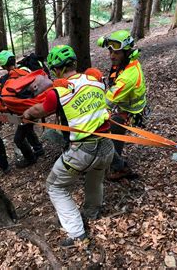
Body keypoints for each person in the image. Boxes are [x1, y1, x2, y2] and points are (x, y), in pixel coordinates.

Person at [23, 45, 114, 246]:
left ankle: (76, 233)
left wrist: (27, 115)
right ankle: (91, 212)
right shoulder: (95, 79)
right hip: (107, 146)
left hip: (82, 151)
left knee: (55, 186)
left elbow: (40, 110)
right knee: (95, 178)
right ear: (74, 63)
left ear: (56, 70)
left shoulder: (58, 92)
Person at [97, 29, 148, 181]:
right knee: (114, 130)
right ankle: (115, 164)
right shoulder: (128, 62)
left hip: (129, 111)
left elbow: (107, 100)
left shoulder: (128, 78)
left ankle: (119, 168)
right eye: (110, 51)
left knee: (113, 130)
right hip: (124, 106)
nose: (112, 56)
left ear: (126, 52)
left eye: (117, 53)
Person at [0, 50, 44, 168]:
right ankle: (38, 150)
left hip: (26, 109)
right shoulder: (26, 70)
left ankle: (30, 158)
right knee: (28, 130)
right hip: (36, 105)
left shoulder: (11, 78)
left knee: (18, 139)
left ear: (3, 65)